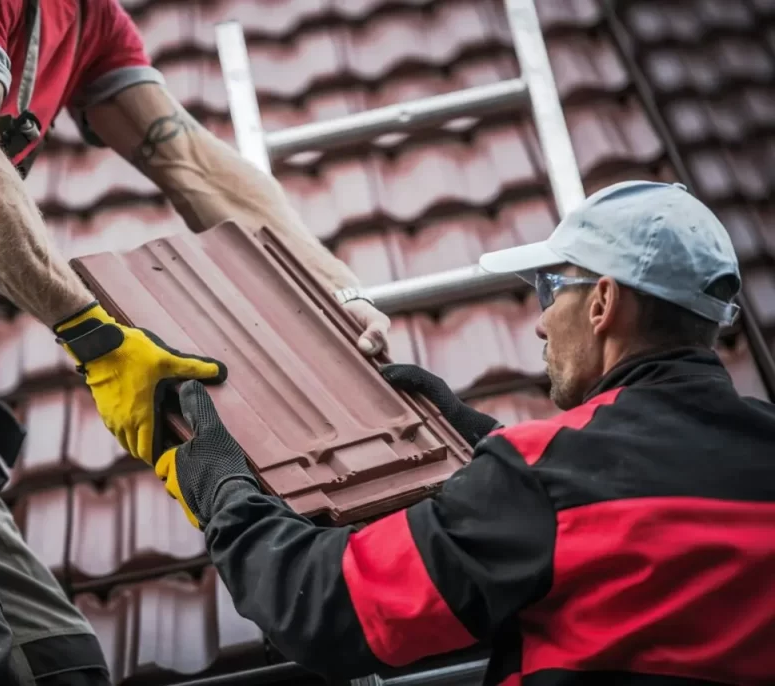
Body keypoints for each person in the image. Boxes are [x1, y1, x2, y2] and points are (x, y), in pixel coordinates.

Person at [0, 0, 391, 684]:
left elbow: (190, 161)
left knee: (57, 659)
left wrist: (335, 291)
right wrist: (98, 337)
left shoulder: (91, 22)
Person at [155, 180, 775, 685]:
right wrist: (487, 449)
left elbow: (325, 607)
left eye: (549, 287)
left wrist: (226, 490)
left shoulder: (542, 481)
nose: (539, 323)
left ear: (602, 304)